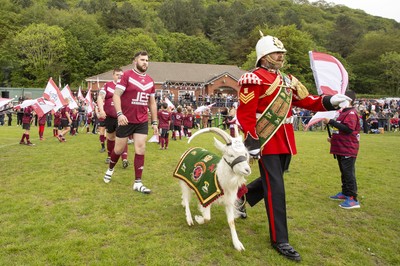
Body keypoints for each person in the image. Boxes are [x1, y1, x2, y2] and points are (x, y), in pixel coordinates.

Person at [236, 33, 352, 262]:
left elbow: (307, 100)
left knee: (275, 178)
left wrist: (330, 100)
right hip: (266, 140)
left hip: (285, 138)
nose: (280, 56)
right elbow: (246, 113)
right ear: (264, 56)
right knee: (276, 189)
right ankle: (280, 240)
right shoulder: (253, 78)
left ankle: (241, 196)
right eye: (276, 53)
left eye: (281, 53)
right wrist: (252, 142)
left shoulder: (288, 79)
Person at [103, 51, 159, 194]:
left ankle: (138, 183)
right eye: (142, 60)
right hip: (125, 120)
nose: (145, 62)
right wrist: (120, 113)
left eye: (147, 60)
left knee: (140, 148)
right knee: (118, 150)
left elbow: (152, 103)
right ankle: (110, 169)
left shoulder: (150, 81)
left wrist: (154, 122)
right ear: (135, 61)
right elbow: (116, 95)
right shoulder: (127, 75)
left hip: (141, 121)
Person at [323, 90, 361, 209]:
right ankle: (345, 192)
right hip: (340, 147)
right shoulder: (343, 112)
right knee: (344, 172)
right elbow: (340, 128)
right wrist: (333, 138)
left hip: (348, 148)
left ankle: (352, 198)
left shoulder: (351, 113)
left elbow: (348, 129)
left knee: (348, 173)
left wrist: (331, 122)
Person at [97, 67, 129, 168]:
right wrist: (101, 110)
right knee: (110, 137)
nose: (119, 77)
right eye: (117, 75)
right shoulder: (107, 85)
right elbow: (100, 97)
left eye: (121, 75)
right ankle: (110, 156)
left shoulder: (126, 86)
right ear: (113, 75)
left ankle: (125, 159)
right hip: (110, 117)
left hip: (122, 117)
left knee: (122, 138)